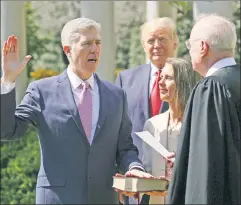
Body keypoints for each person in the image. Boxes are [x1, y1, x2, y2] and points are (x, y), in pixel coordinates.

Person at [0, 18, 152, 204]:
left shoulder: (116, 95)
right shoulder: (41, 91)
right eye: (87, 43)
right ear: (67, 50)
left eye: (98, 42)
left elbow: (125, 147)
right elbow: (8, 130)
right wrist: (7, 82)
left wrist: (134, 167)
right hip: (57, 199)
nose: (94, 49)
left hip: (103, 198)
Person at [167, 14, 240, 204]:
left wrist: (194, 160)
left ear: (202, 47)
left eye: (190, 46)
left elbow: (207, 163)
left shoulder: (211, 88)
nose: (189, 52)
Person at [115, 18, 178, 204]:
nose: (156, 45)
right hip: (136, 180)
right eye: (151, 41)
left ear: (175, 42)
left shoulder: (191, 78)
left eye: (162, 39)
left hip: (175, 181)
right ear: (144, 46)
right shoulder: (125, 79)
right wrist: (118, 175)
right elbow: (115, 132)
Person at [141, 57, 200, 204]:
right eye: (160, 77)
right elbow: (147, 170)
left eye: (167, 78)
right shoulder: (152, 125)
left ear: (182, 82)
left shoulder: (198, 124)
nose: (159, 82)